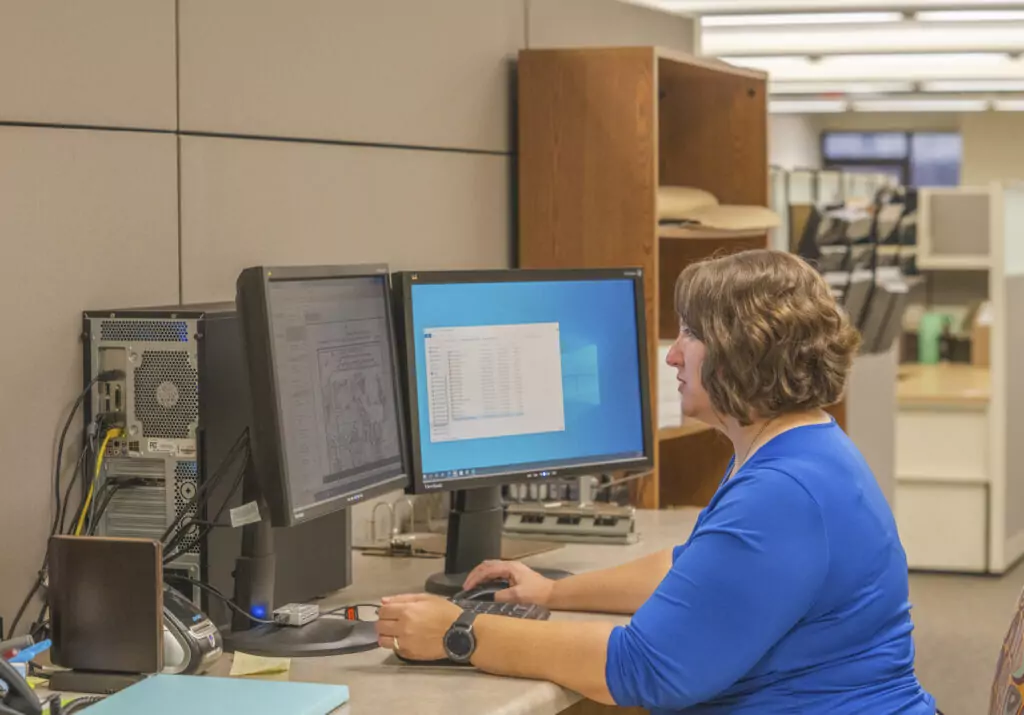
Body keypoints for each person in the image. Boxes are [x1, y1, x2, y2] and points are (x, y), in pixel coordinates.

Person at [376, 249, 936, 714]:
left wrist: (461, 633)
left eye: (690, 334)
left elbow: (644, 669)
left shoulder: (784, 491)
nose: (671, 356)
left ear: (743, 350)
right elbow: (693, 568)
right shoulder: (799, 446)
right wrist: (551, 592)